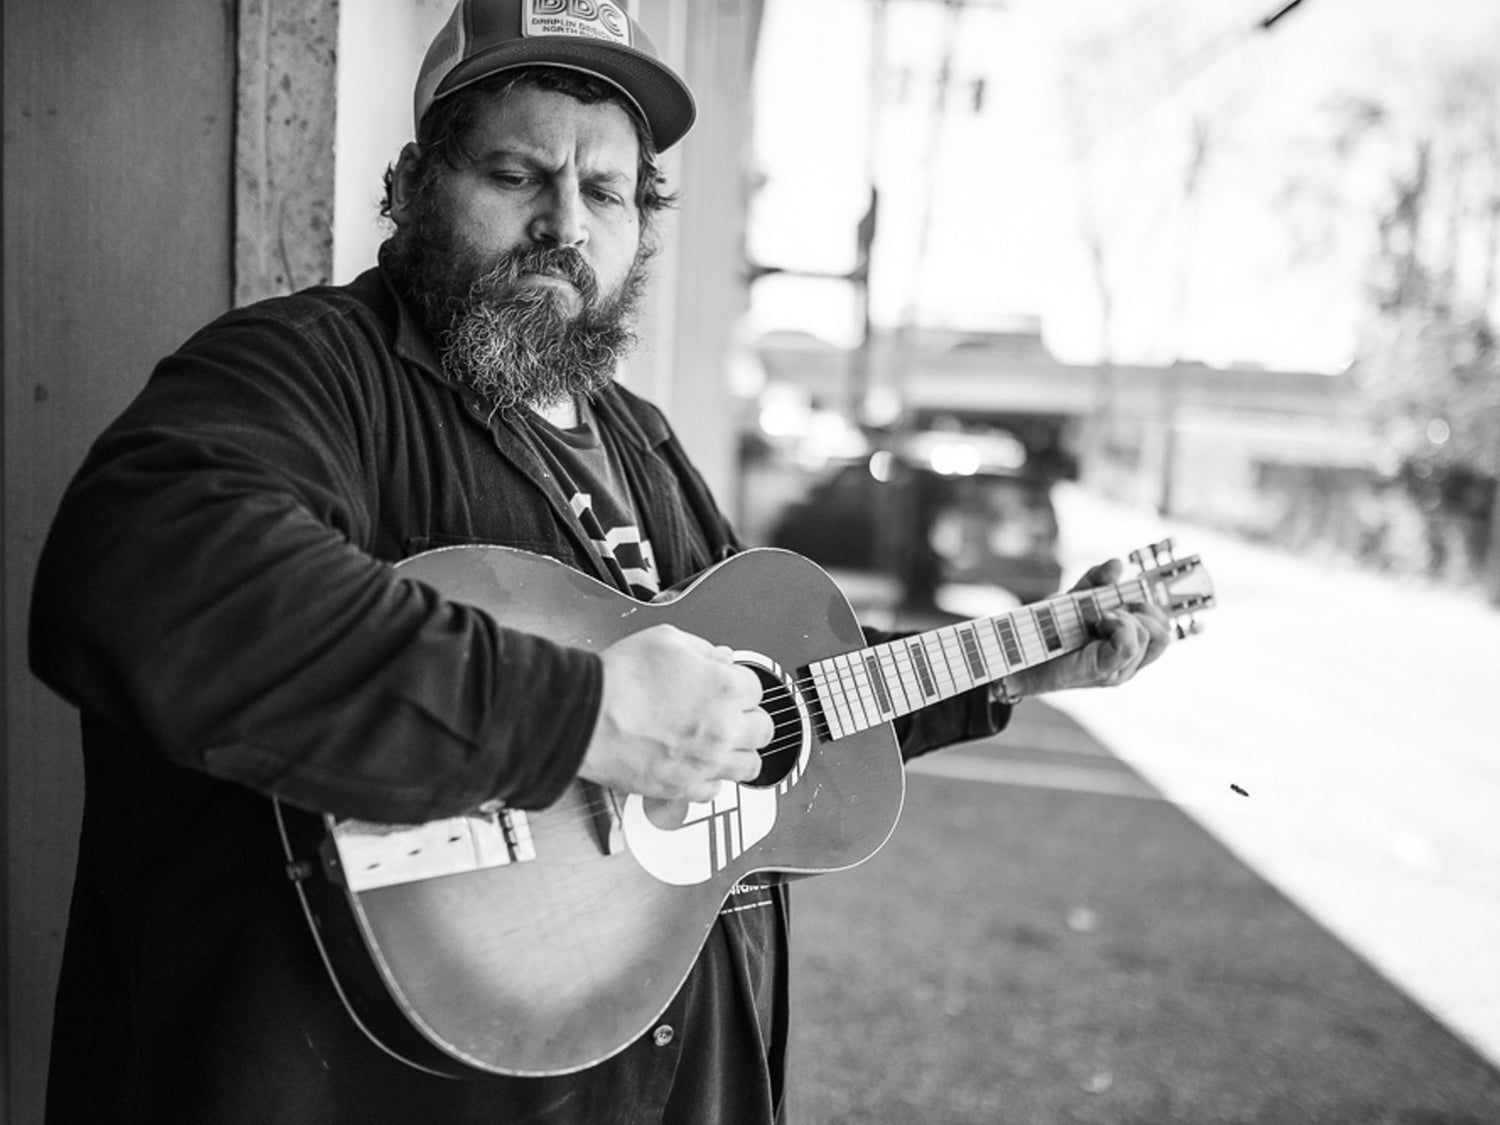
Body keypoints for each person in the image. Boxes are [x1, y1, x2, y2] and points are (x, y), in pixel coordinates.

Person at [28, 1, 1173, 1121]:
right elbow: (147, 573)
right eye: (518, 175)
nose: (565, 223)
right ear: (415, 184)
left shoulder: (642, 442)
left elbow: (779, 706)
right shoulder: (303, 370)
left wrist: (1016, 664)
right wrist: (578, 713)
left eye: (606, 189)